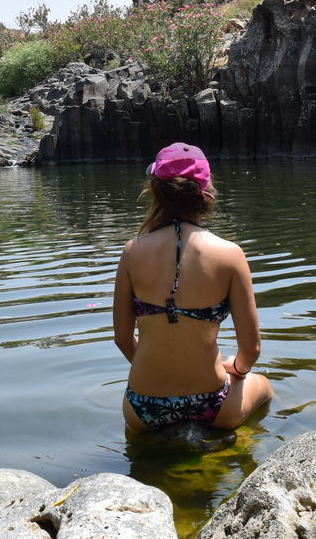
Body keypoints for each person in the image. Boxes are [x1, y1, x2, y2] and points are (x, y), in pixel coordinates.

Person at [112, 142, 274, 431]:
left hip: (142, 408)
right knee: (263, 385)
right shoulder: (230, 254)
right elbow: (251, 348)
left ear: (156, 190)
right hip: (213, 405)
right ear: (207, 192)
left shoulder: (131, 252)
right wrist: (236, 370)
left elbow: (122, 338)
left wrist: (155, 372)